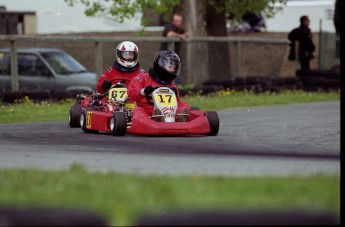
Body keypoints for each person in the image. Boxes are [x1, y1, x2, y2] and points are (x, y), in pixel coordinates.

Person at [128, 50, 191, 122]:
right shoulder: (144, 77)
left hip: (169, 111)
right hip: (147, 109)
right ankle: (155, 117)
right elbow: (131, 93)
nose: (172, 70)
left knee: (184, 105)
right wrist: (144, 91)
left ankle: (180, 117)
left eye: (174, 68)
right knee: (137, 111)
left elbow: (177, 102)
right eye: (170, 66)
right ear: (160, 64)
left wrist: (175, 93)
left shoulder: (171, 84)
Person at [160, 12, 189, 85]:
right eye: (177, 21)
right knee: (167, 74)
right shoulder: (169, 26)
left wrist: (183, 35)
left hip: (174, 58)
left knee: (175, 74)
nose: (178, 23)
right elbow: (169, 34)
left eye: (180, 21)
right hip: (165, 56)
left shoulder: (179, 29)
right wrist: (180, 36)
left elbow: (187, 34)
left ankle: (177, 87)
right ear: (173, 21)